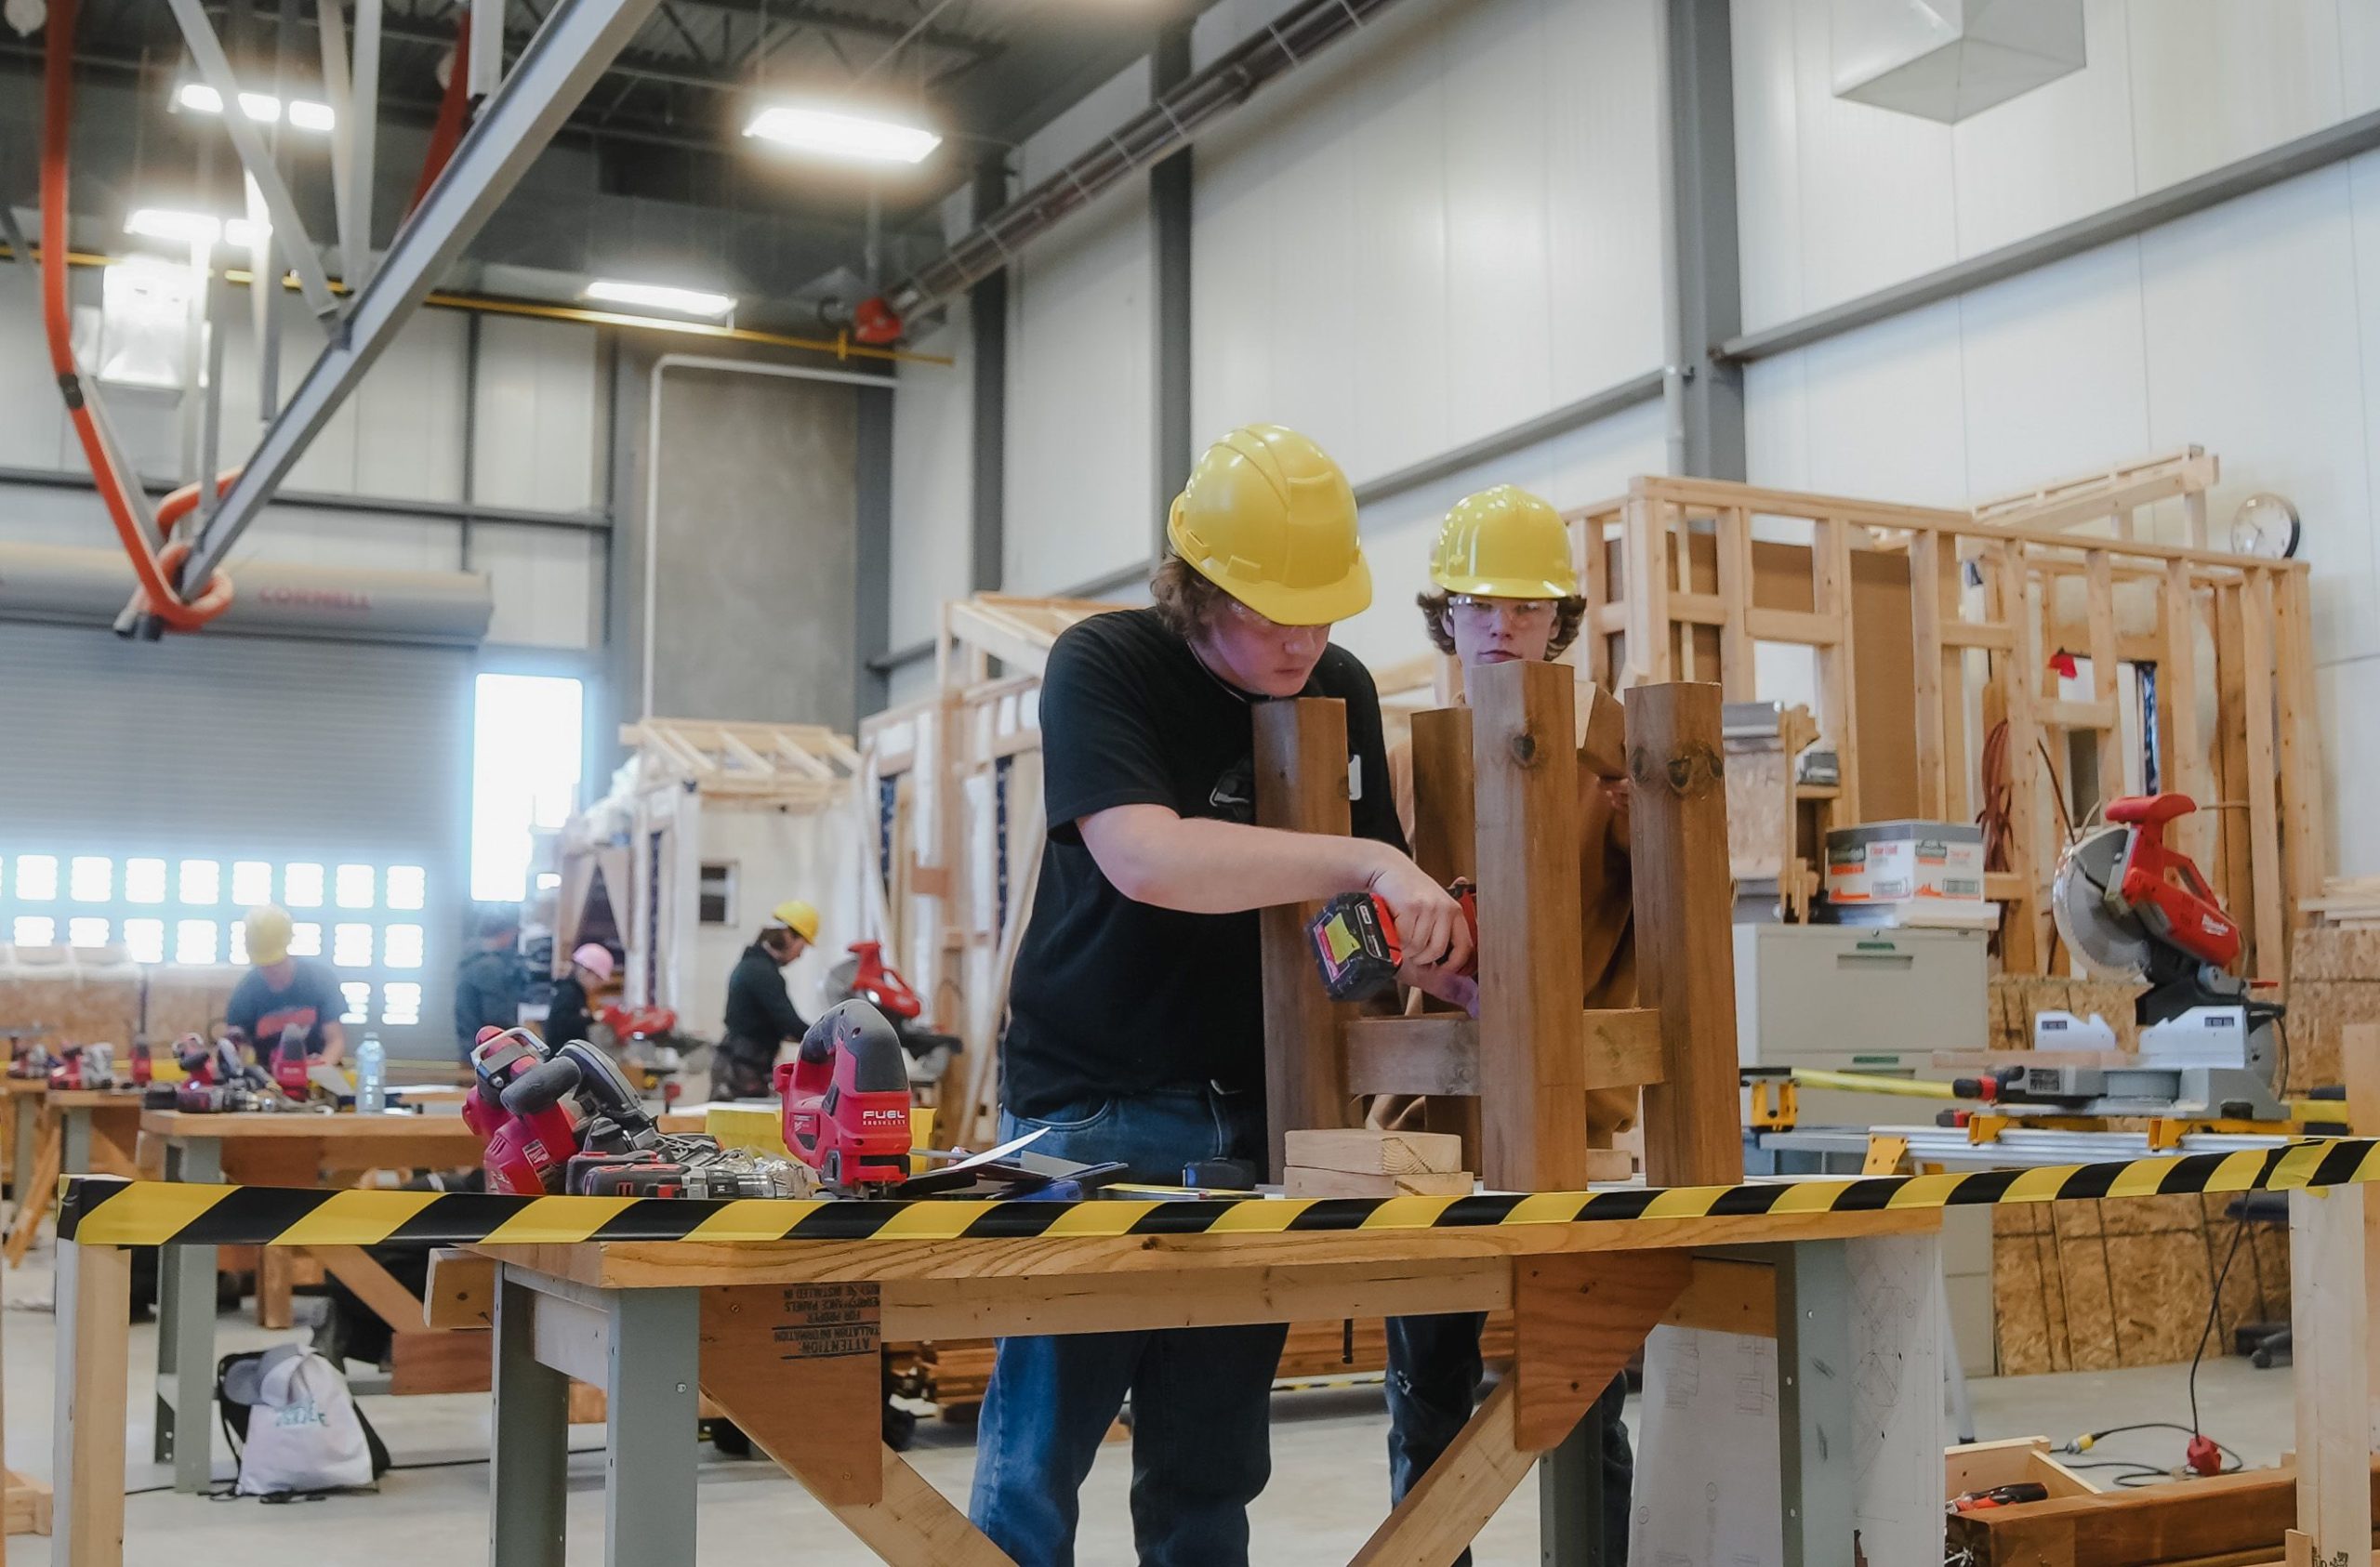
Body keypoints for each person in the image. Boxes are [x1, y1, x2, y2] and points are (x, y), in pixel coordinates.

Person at [968, 425, 1471, 1567]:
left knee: (1211, 1466)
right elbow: (1146, 857)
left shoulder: (1336, 688)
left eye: (1322, 609)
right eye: (1269, 610)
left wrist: (1441, 955)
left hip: (1262, 1113)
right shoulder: (1106, 664)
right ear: (1194, 590)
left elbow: (1361, 916)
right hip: (1094, 1111)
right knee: (1038, 1461)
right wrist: (1363, 867)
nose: (1303, 637)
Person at [1380, 483, 1636, 1562]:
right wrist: (1431, 971)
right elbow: (1345, 930)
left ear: (1558, 620)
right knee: (1427, 1388)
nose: (1500, 627)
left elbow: (1680, 920)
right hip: (1427, 1114)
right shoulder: (1403, 761)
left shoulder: (1619, 754)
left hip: (1573, 1115)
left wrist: (1651, 826)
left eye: (1524, 608)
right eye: (1477, 605)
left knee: (1583, 1386)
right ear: (1446, 617)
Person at [716, 900, 817, 1100]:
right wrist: (826, 1042)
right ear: (789, 936)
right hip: (743, 1069)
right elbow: (789, 1023)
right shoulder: (762, 973)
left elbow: (779, 1025)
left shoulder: (753, 966)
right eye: (802, 946)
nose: (800, 956)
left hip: (740, 1064)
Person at [225, 904, 347, 1064]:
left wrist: (322, 1066)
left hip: (317, 1078)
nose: (270, 971)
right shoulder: (246, 991)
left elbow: (335, 1040)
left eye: (276, 964)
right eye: (264, 966)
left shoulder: (320, 981)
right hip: (268, 1083)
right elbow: (234, 1046)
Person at [453, 907, 525, 1053]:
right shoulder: (488, 966)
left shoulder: (470, 960)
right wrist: (519, 1038)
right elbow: (496, 1013)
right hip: (489, 1048)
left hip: (472, 1043)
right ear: (506, 933)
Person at [544, 942, 613, 1047]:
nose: (599, 985)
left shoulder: (577, 993)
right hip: (562, 1057)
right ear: (586, 971)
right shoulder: (568, 993)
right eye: (598, 979)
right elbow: (563, 1024)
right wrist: (591, 1018)